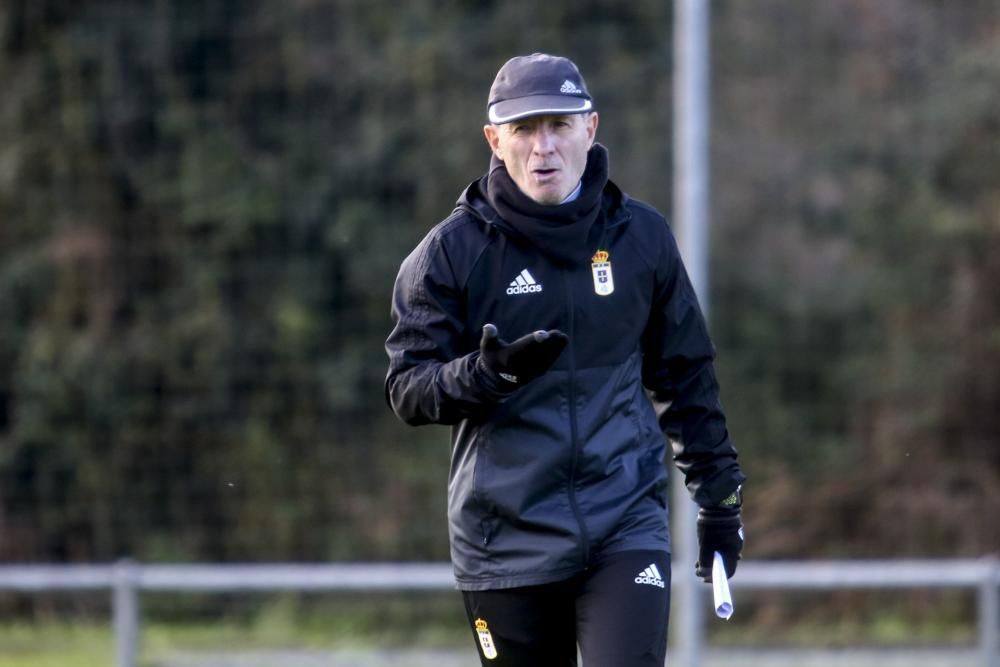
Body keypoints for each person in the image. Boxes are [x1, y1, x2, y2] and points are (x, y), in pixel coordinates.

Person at [384, 53, 745, 666]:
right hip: (504, 541)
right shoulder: (451, 254)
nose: (542, 147)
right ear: (494, 141)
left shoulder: (642, 239)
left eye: (558, 124)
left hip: (624, 526)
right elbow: (407, 388)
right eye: (523, 130)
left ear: (591, 128)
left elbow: (685, 377)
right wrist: (485, 375)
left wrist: (719, 500)